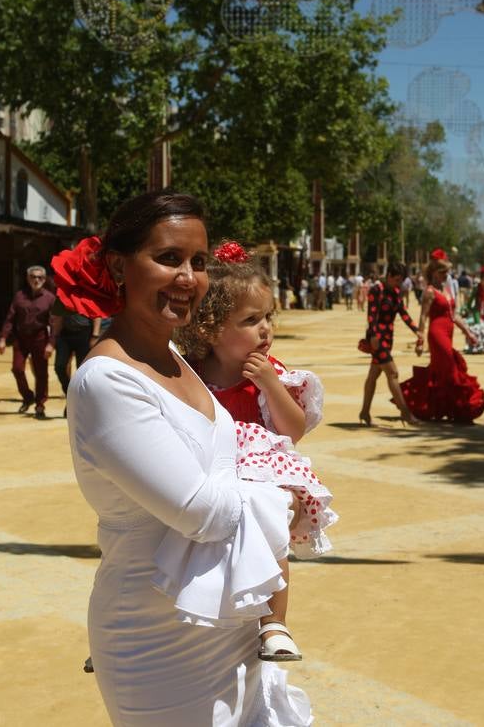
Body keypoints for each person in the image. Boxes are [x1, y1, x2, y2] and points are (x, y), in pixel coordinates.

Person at [53, 191, 311, 726]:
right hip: (157, 642)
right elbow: (203, 512)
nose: (189, 277)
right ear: (119, 265)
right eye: (169, 258)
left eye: (198, 261)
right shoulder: (107, 381)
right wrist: (284, 495)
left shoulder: (173, 357)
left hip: (230, 623)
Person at [158, 240, 335, 663]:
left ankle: (274, 622)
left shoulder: (270, 373)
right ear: (211, 330)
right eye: (252, 320)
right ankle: (143, 621)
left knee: (269, 523)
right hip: (205, 467)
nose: (266, 330)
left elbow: (292, 431)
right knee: (165, 529)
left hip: (257, 468)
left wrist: (272, 387)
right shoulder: (190, 372)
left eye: (268, 317)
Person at [400, 253, 484, 423]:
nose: (446, 276)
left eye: (447, 273)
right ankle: (459, 408)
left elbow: (453, 315)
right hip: (437, 334)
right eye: (443, 272)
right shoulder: (429, 292)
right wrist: (420, 342)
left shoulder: (447, 289)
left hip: (449, 333)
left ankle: (442, 407)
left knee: (440, 371)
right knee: (450, 367)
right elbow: (423, 317)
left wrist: (468, 332)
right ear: (434, 272)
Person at [358, 262, 424, 427]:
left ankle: (364, 412)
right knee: (393, 373)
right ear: (388, 276)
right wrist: (373, 335)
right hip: (377, 339)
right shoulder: (376, 290)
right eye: (396, 280)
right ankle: (405, 412)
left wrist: (417, 330)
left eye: (400, 281)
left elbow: (403, 313)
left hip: (388, 339)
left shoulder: (395, 292)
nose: (398, 283)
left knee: (373, 375)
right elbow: (371, 315)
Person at [0, 265, 55, 419]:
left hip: (40, 338)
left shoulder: (49, 298)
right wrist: (3, 338)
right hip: (21, 339)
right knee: (17, 369)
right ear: (28, 278)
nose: (36, 280)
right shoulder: (19, 296)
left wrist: (51, 343)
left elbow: (54, 323)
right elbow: (10, 318)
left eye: (40, 277)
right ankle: (28, 397)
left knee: (41, 373)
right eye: (33, 277)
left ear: (45, 279)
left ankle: (40, 404)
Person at [51, 297, 103, 416]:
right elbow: (58, 317)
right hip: (65, 335)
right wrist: (53, 338)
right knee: (60, 366)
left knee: (82, 373)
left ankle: (77, 404)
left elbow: (96, 314)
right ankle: (70, 395)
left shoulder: (87, 293)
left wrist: (95, 335)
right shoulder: (62, 294)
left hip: (84, 333)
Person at [463, 267, 484, 354]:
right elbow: (470, 300)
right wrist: (469, 309)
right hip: (477, 311)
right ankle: (472, 345)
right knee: (476, 328)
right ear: (481, 278)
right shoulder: (477, 287)